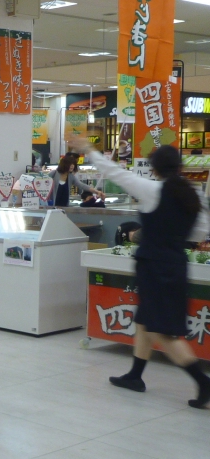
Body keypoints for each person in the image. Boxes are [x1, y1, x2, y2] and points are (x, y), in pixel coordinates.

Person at [71, 138, 210, 408]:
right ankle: (135, 376)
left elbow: (116, 173)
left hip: (154, 265)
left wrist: (88, 150)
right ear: (179, 167)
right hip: (175, 263)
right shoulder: (193, 195)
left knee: (160, 331)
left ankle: (202, 381)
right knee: (145, 320)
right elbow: (199, 233)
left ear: (154, 168)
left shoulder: (152, 190)